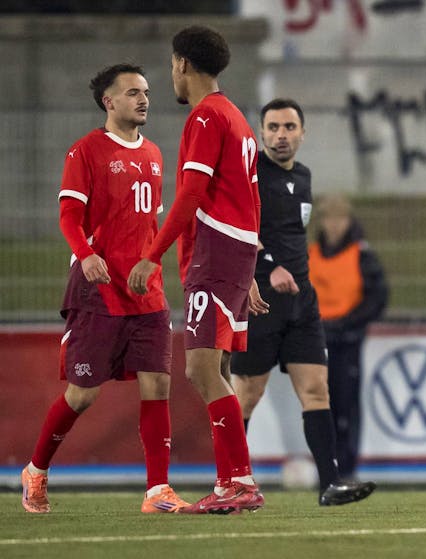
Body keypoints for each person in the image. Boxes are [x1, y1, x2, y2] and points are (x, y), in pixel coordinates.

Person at [20, 63, 188, 514]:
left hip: (147, 291)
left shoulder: (153, 153)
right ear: (108, 101)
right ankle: (35, 471)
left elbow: (148, 221)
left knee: (158, 383)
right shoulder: (85, 151)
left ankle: (158, 491)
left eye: (146, 91)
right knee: (83, 394)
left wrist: (151, 260)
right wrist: (87, 254)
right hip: (98, 287)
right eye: (132, 92)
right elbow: (69, 218)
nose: (144, 99)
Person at [128, 25, 269, 515]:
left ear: (183, 64)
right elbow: (251, 198)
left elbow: (190, 194)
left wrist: (152, 254)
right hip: (233, 251)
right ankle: (231, 481)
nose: (172, 73)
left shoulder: (207, 118)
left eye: (171, 65)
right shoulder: (236, 117)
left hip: (215, 252)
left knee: (200, 366)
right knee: (220, 367)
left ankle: (240, 482)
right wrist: (248, 262)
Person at [229, 98, 376, 505]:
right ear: (261, 133)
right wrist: (268, 265)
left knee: (316, 390)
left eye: (289, 127)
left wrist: (294, 275)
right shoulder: (251, 174)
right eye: (273, 127)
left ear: (302, 133)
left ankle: (331, 484)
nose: (281, 135)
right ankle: (230, 481)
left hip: (302, 303)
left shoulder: (305, 176)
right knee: (248, 394)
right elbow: (239, 227)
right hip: (259, 298)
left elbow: (294, 234)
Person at [308, 194, 389, 482]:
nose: (333, 225)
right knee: (318, 404)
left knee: (346, 405)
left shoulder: (362, 255)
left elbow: (377, 298)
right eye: (328, 218)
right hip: (316, 338)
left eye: (339, 218)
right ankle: (325, 466)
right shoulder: (311, 255)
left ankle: (347, 466)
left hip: (348, 339)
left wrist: (347, 324)